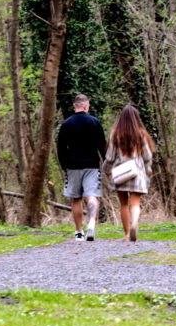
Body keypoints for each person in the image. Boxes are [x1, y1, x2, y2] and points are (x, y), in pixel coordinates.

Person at [56, 94, 106, 241]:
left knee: (76, 199)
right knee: (92, 196)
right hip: (91, 165)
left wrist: (64, 166)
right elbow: (102, 145)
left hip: (72, 166)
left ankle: (79, 232)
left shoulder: (66, 124)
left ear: (75, 106)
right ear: (86, 106)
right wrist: (106, 162)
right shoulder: (94, 122)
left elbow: (60, 148)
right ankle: (91, 223)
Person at [104, 105, 154, 242]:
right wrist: (148, 171)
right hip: (136, 172)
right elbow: (147, 156)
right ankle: (134, 224)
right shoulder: (141, 134)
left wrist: (107, 170)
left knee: (124, 204)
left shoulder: (115, 134)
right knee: (135, 203)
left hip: (120, 173)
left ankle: (127, 234)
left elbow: (110, 157)